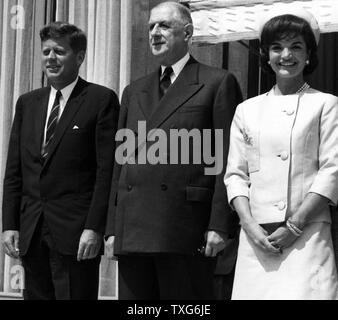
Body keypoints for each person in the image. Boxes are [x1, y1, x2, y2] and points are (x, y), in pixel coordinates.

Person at [105, 1, 242, 300]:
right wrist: (112, 227)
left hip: (184, 227)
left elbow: (224, 160)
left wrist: (219, 224)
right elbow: (121, 164)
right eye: (151, 26)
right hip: (134, 227)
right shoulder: (134, 90)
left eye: (164, 26)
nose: (154, 32)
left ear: (188, 33)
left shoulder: (217, 83)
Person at [224, 6, 338, 300]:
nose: (286, 55)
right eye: (277, 47)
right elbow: (236, 174)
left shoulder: (325, 104)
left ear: (309, 54)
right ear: (266, 54)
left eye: (295, 46)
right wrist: (249, 225)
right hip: (257, 239)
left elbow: (331, 170)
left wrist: (294, 226)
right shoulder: (246, 110)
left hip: (307, 235)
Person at [2, 22, 120, 300]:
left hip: (76, 235)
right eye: (45, 52)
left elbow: (107, 172)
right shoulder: (27, 102)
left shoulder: (100, 100)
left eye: (59, 51)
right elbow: (14, 170)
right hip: (32, 231)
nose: (50, 58)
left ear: (79, 57)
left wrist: (95, 228)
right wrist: (10, 224)